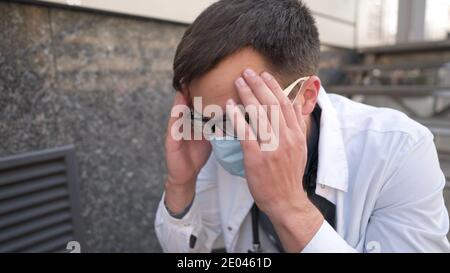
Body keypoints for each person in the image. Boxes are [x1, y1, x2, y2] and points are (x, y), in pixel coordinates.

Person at [154, 0, 450, 253]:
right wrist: (181, 184)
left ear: (306, 95)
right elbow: (188, 248)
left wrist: (288, 207)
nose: (225, 136)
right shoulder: (214, 144)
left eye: (246, 117)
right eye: (208, 119)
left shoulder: (399, 151)